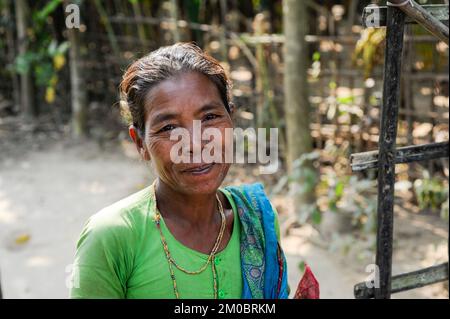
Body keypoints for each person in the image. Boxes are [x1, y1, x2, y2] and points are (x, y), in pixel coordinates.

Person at [70, 42, 288, 299]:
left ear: (232, 120)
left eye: (210, 118)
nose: (195, 144)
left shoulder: (258, 220)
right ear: (141, 144)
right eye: (169, 128)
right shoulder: (111, 238)